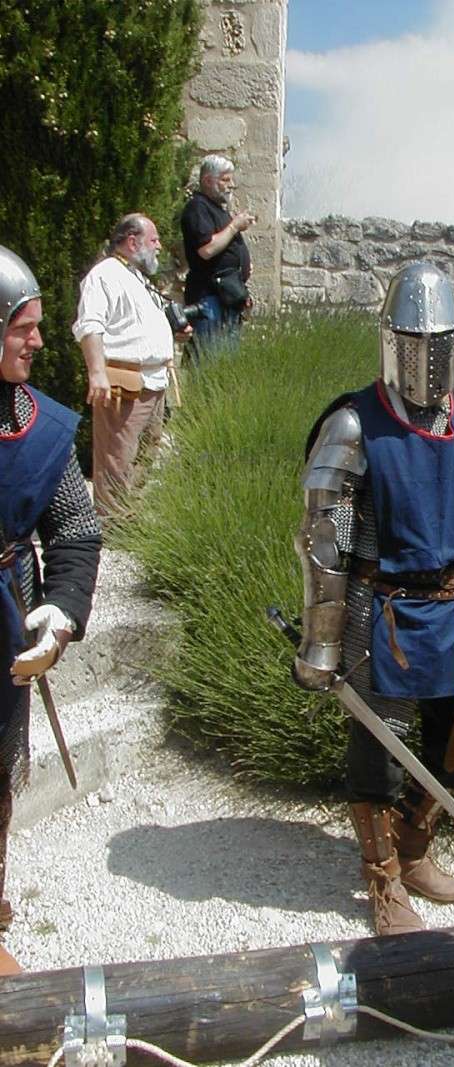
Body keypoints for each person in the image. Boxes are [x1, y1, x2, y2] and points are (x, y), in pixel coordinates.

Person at [292, 262, 454, 936]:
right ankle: (382, 880)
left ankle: (414, 848)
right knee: (378, 743)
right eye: (417, 340)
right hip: (379, 605)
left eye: (440, 340)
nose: (429, 356)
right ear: (392, 339)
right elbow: (324, 541)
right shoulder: (355, 425)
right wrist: (323, 639)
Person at [0, 246, 101, 940]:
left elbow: (75, 526)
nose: (39, 339)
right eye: (22, 326)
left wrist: (61, 611)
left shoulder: (42, 427)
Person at [72, 214, 188, 520]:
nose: (160, 246)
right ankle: (111, 523)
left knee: (146, 452)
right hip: (126, 380)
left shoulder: (134, 276)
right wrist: (97, 373)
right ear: (132, 242)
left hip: (153, 380)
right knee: (116, 456)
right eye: (154, 240)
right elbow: (89, 325)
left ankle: (128, 515)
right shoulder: (104, 275)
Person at [180, 154, 254, 355]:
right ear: (207, 180)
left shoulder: (218, 210)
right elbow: (207, 250)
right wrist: (234, 226)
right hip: (210, 298)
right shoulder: (198, 207)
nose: (231, 185)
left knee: (225, 366)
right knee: (208, 360)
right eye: (225, 179)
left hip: (228, 298)